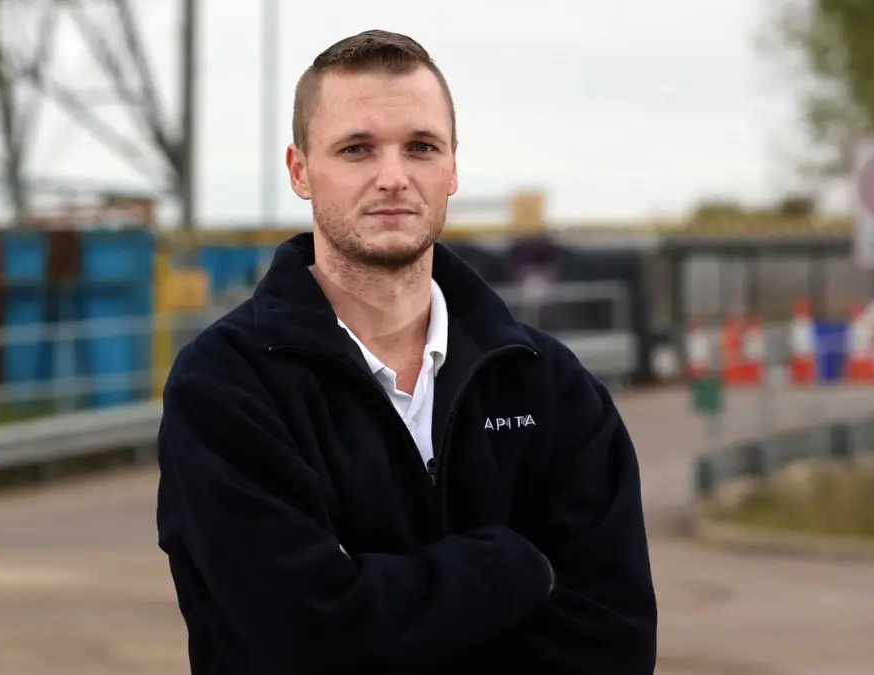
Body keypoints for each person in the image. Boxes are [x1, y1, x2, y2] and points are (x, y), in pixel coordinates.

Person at [156, 29, 657, 675]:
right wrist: (517, 567)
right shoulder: (227, 386)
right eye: (357, 149)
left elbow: (616, 642)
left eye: (420, 147)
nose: (392, 178)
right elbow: (301, 640)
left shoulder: (550, 386)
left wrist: (370, 599)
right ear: (300, 170)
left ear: (452, 167)